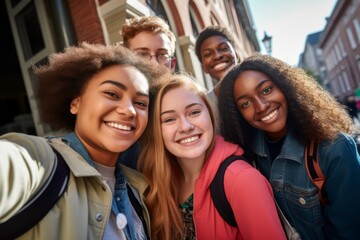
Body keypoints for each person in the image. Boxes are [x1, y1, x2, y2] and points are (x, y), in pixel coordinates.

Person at [0, 42, 166, 239]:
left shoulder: (138, 189)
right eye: (112, 94)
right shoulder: (39, 162)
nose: (129, 110)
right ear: (75, 104)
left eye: (140, 103)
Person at [218, 53, 360, 240]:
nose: (260, 106)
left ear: (286, 86)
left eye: (266, 90)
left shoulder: (335, 148)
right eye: (245, 103)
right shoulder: (247, 154)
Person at [137, 73, 286, 240]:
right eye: (170, 119)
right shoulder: (160, 182)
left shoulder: (243, 180)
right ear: (157, 131)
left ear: (210, 115)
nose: (185, 127)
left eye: (194, 112)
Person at [195, 25, 239, 97]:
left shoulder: (258, 83)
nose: (217, 56)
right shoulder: (206, 105)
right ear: (204, 68)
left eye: (223, 48)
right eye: (208, 54)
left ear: (236, 55)